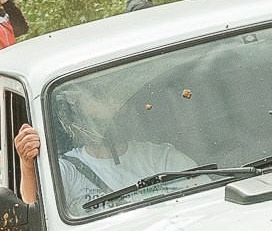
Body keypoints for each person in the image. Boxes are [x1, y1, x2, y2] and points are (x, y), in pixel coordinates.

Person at [28, 83, 197, 217]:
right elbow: (35, 211)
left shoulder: (159, 157)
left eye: (118, 99)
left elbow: (199, 200)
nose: (117, 106)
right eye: (102, 98)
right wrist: (27, 164)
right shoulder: (66, 170)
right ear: (76, 112)